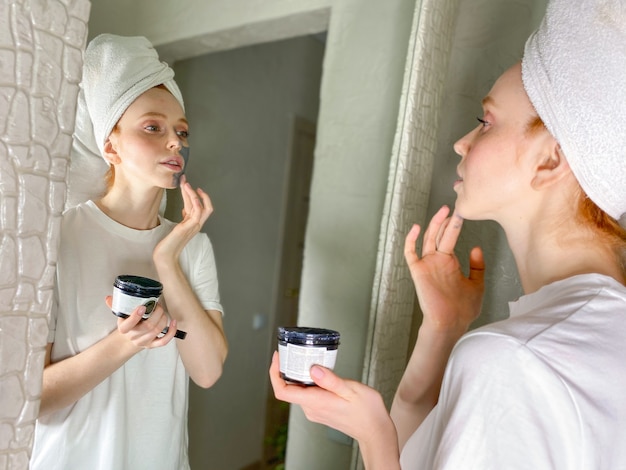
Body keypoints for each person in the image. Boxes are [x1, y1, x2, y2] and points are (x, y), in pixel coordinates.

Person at [269, 0, 626, 468]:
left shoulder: (516, 360)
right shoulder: (588, 333)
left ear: (551, 160)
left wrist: (373, 436)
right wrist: (444, 327)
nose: (462, 142)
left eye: (486, 122)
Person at [31, 34, 228, 470]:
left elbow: (208, 370)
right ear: (110, 145)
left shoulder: (191, 247)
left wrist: (165, 261)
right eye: (153, 127)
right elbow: (35, 399)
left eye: (181, 130)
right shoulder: (58, 238)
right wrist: (126, 344)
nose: (175, 142)